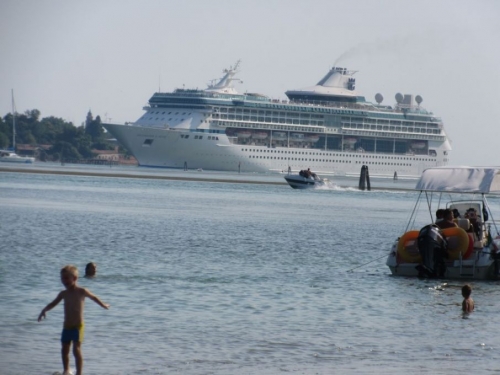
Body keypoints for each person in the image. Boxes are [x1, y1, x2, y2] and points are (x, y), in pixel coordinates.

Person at [38, 265, 109, 375]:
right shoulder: (63, 294)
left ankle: (79, 373)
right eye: (62, 278)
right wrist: (44, 310)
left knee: (76, 350)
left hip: (78, 326)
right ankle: (66, 370)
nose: (64, 281)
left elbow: (93, 297)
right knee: (64, 350)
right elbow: (53, 303)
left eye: (66, 278)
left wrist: (103, 305)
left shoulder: (81, 291)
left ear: (74, 278)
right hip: (66, 326)